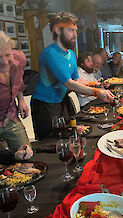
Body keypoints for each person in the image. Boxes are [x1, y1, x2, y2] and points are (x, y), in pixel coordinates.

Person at [31, 12, 114, 140]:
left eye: (75, 31)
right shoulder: (50, 53)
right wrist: (97, 92)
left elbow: (77, 80)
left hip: (61, 101)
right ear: (58, 30)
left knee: (68, 136)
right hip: (45, 105)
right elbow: (69, 83)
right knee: (50, 141)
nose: (75, 35)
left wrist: (96, 84)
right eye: (71, 31)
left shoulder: (70, 54)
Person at [0, 31, 31, 152]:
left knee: (26, 157)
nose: (4, 61)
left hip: (11, 117)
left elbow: (18, 80)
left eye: (7, 55)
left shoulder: (19, 59)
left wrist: (21, 100)